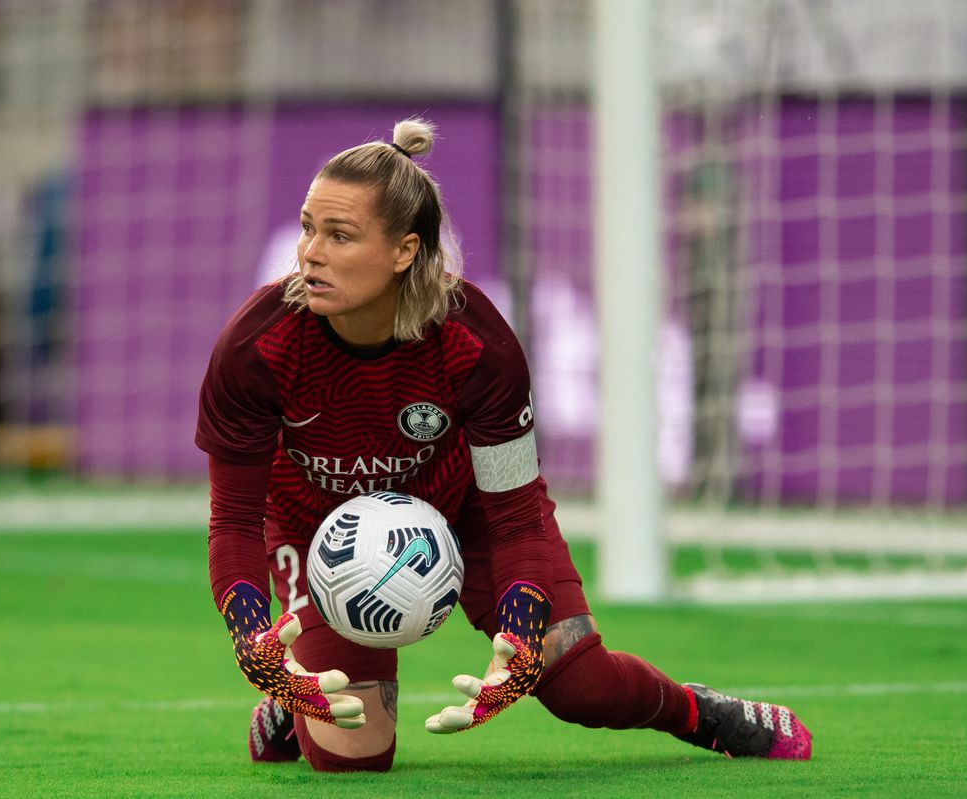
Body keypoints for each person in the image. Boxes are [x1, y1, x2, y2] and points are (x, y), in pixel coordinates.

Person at [195, 118, 812, 772]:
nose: (309, 253)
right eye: (307, 227)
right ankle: (297, 704)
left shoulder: (475, 343)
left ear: (404, 251)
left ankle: (699, 712)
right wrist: (252, 640)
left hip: (472, 512)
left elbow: (516, 513)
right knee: (353, 756)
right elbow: (233, 519)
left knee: (582, 686)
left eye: (339, 235)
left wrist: (518, 633)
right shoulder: (256, 347)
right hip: (317, 527)